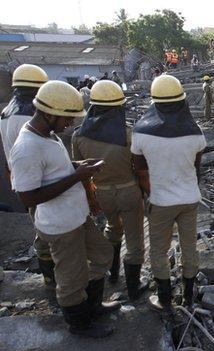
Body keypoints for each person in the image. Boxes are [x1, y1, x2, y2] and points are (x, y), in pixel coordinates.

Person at [10, 80, 120, 338]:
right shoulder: (26, 148)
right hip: (60, 225)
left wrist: (78, 165)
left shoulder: (48, 136)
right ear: (49, 114)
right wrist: (77, 175)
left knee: (103, 254)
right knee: (71, 277)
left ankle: (92, 305)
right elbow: (27, 198)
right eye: (66, 118)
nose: (69, 124)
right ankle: (79, 323)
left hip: (77, 216)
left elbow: (54, 169)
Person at [131, 75, 206, 314]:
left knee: (158, 250)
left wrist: (153, 193)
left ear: (155, 102)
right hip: (189, 199)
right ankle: (188, 297)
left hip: (161, 201)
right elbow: (197, 167)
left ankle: (164, 299)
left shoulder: (141, 133)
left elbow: (140, 171)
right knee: (189, 247)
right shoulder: (195, 133)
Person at [72, 80, 148, 301]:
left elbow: (79, 171)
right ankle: (133, 288)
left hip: (100, 193)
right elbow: (139, 167)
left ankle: (113, 274)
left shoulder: (79, 136)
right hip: (128, 191)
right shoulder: (127, 134)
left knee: (112, 228)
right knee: (134, 241)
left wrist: (90, 198)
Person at [1, 64, 54, 288]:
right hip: (40, 181)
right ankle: (53, 278)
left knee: (39, 225)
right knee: (46, 231)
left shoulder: (6, 113)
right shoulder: (31, 117)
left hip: (19, 178)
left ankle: (50, 276)